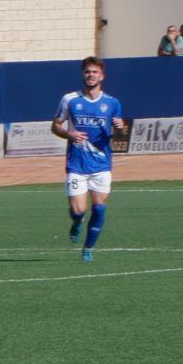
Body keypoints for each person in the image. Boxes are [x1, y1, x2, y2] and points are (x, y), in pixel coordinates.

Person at [53, 56, 128, 262]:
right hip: (77, 164)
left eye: (94, 72)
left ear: (102, 76)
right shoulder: (70, 100)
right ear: (83, 75)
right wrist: (70, 134)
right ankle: (77, 221)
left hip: (101, 164)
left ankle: (88, 248)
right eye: (87, 72)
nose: (90, 75)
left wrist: (122, 128)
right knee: (79, 210)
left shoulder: (112, 103)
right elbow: (56, 125)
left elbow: (121, 132)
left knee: (100, 207)